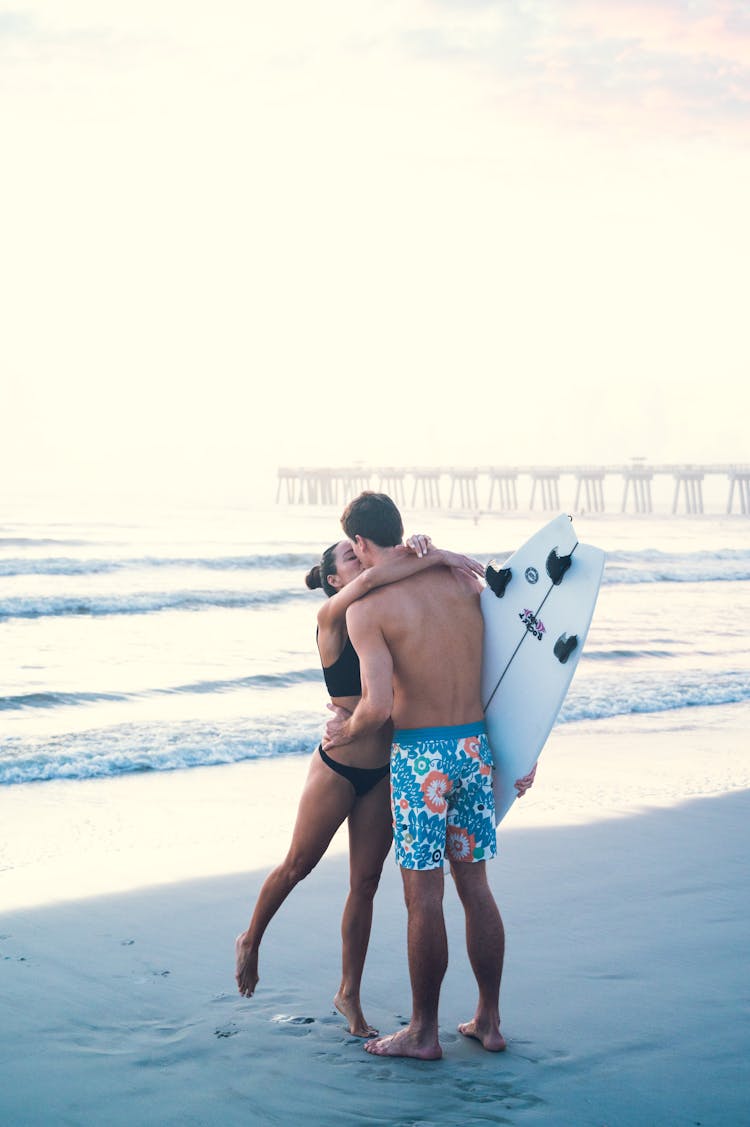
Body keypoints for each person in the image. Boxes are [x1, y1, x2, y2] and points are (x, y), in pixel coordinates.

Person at [235, 531, 485, 1037]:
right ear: (334, 579)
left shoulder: (386, 608)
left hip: (385, 771)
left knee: (365, 884)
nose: (363, 560)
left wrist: (416, 551)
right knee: (297, 866)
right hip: (339, 765)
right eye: (352, 556)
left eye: (361, 550)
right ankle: (250, 939)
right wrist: (436, 555)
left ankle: (348, 992)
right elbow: (379, 572)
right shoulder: (332, 617)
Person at [323, 492, 534, 1059]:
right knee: (476, 888)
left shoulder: (367, 609)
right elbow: (508, 672)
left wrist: (342, 732)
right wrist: (523, 749)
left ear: (361, 544)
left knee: (424, 898)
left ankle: (422, 1032)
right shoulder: (462, 583)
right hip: (475, 745)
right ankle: (488, 1022)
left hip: (421, 760)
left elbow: (378, 708)